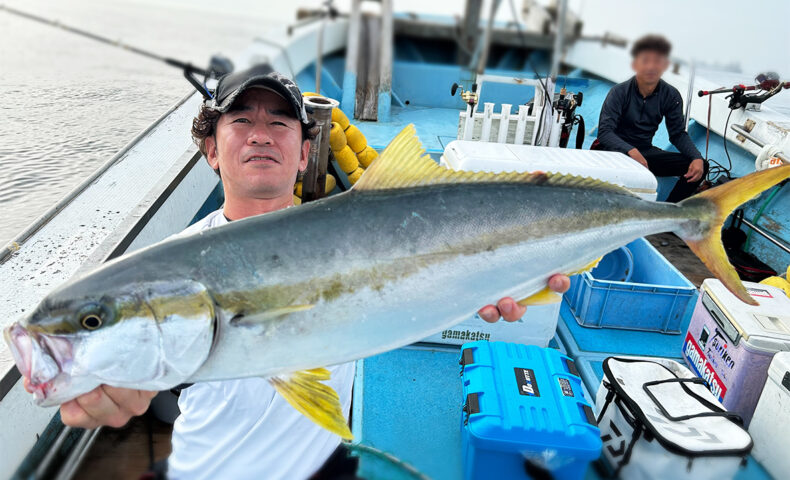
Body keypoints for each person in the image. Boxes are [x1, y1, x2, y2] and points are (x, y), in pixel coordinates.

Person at [23, 65, 570, 479]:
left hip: (325, 464)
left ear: (306, 148)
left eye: (279, 122)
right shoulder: (174, 264)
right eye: (241, 121)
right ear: (211, 151)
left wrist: (494, 277)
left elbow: (409, 294)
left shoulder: (364, 227)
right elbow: (144, 368)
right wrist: (118, 385)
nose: (260, 133)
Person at [592, 34, 707, 203]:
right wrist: (630, 151)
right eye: (645, 61)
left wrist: (696, 157)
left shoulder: (671, 95)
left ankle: (669, 211)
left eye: (657, 61)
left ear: (665, 65)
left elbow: (677, 134)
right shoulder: (619, 92)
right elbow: (605, 132)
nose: (651, 67)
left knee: (701, 166)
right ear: (635, 64)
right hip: (612, 151)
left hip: (644, 153)